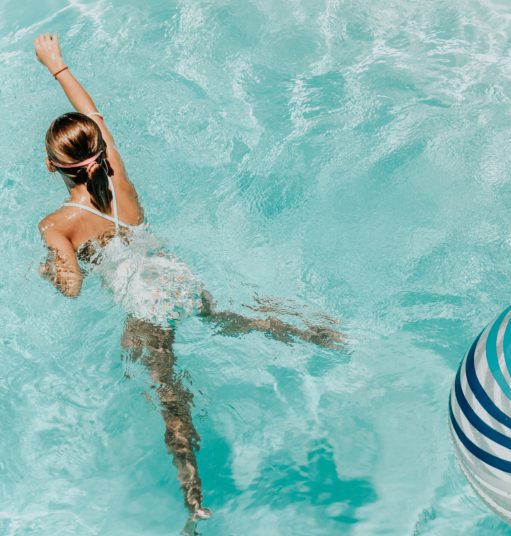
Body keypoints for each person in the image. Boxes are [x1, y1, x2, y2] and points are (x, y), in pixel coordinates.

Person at [33, 32, 344, 524]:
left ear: (53, 166)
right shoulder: (115, 174)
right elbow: (96, 117)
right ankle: (319, 334)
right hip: (175, 276)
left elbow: (71, 288)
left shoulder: (56, 225)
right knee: (227, 316)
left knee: (170, 397)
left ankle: (194, 498)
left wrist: (51, 270)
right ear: (97, 151)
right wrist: (57, 65)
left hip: (143, 305)